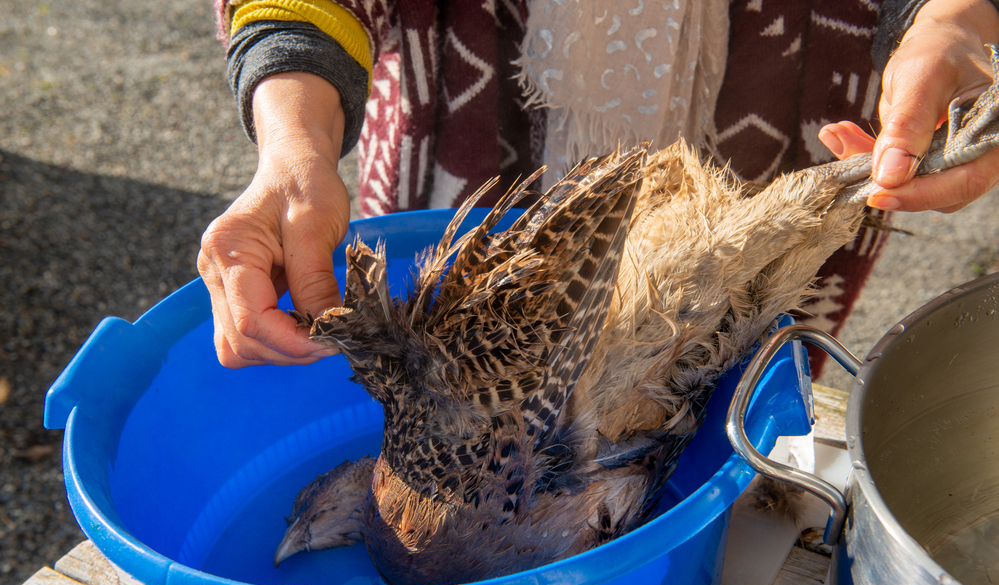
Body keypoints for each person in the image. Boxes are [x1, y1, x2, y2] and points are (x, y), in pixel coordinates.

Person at [198, 0, 999, 371]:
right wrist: (294, 149)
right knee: (443, 353)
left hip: (771, 109)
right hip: (473, 117)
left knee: (718, 364)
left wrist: (954, 19)